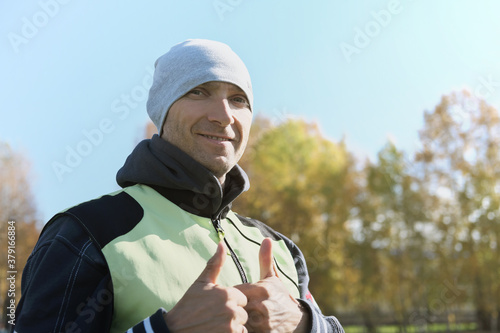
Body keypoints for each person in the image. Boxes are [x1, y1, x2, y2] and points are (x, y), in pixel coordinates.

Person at [14, 39, 344, 333]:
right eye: (198, 91)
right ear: (163, 111)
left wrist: (304, 323)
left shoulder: (280, 248)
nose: (223, 115)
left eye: (238, 98)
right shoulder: (87, 233)